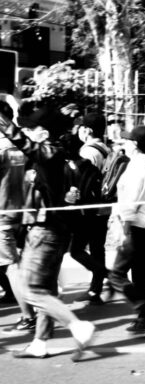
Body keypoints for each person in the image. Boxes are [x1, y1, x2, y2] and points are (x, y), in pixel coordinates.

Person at [0, 105, 96, 358]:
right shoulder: (53, 154)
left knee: (32, 290)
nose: (26, 131)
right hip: (51, 230)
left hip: (45, 231)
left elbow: (26, 145)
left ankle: (78, 326)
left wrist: (3, 123)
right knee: (47, 289)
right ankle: (40, 343)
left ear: (43, 132)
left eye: (31, 128)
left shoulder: (50, 153)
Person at [109, 125, 145, 337]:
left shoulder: (138, 168)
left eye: (127, 140)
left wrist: (124, 230)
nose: (123, 143)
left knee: (116, 275)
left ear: (134, 144)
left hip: (138, 227)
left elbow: (131, 203)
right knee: (141, 275)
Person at [0, 102, 38, 335]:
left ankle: (28, 315)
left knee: (11, 265)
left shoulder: (1, 147)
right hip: (21, 210)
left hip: (3, 211)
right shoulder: (21, 144)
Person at [65, 112, 110, 306]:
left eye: (82, 127)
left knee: (76, 249)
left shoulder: (88, 151)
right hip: (103, 205)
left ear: (88, 130)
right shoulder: (106, 148)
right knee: (97, 246)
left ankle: (103, 276)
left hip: (90, 208)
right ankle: (95, 289)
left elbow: (83, 181)